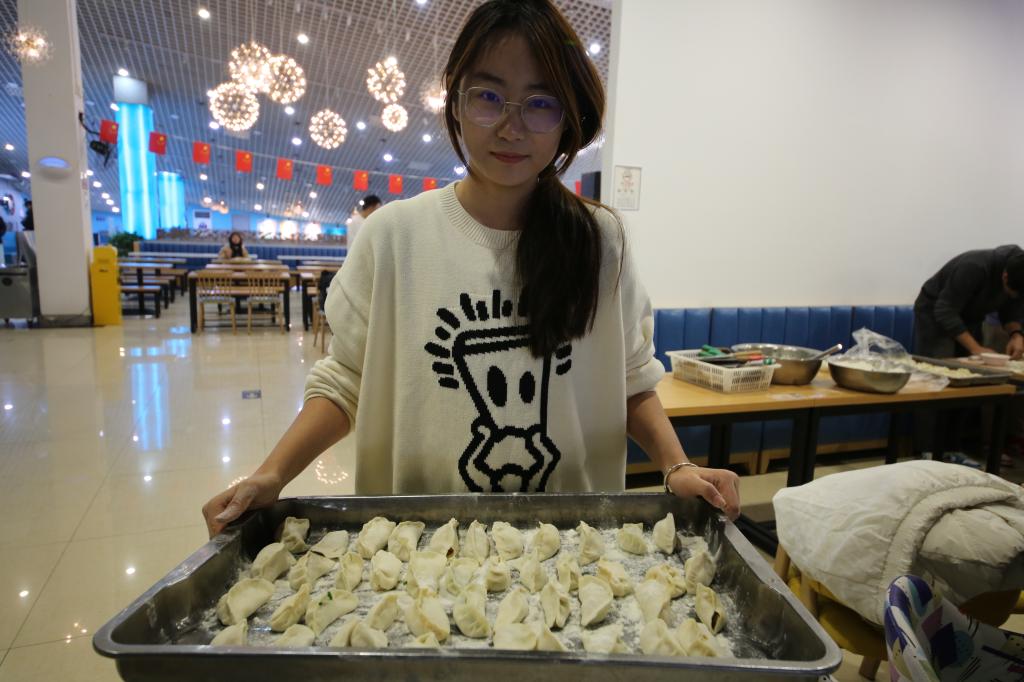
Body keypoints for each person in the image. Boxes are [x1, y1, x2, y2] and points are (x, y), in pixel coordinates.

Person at [203, 0, 740, 537]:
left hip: (572, 546)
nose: (511, 127)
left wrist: (677, 466)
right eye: (488, 96)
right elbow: (345, 381)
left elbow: (631, 380)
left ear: (567, 119)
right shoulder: (393, 236)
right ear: (455, 102)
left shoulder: (599, 241)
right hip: (416, 544)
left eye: (540, 103)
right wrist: (272, 474)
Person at [914, 245, 1024, 360]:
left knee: (972, 361)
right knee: (941, 362)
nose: (1014, 298)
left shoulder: (1018, 272)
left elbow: (1011, 310)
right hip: (937, 311)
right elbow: (945, 311)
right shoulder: (974, 267)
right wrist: (975, 348)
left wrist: (1016, 335)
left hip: (971, 314)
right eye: (1012, 293)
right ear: (1005, 276)